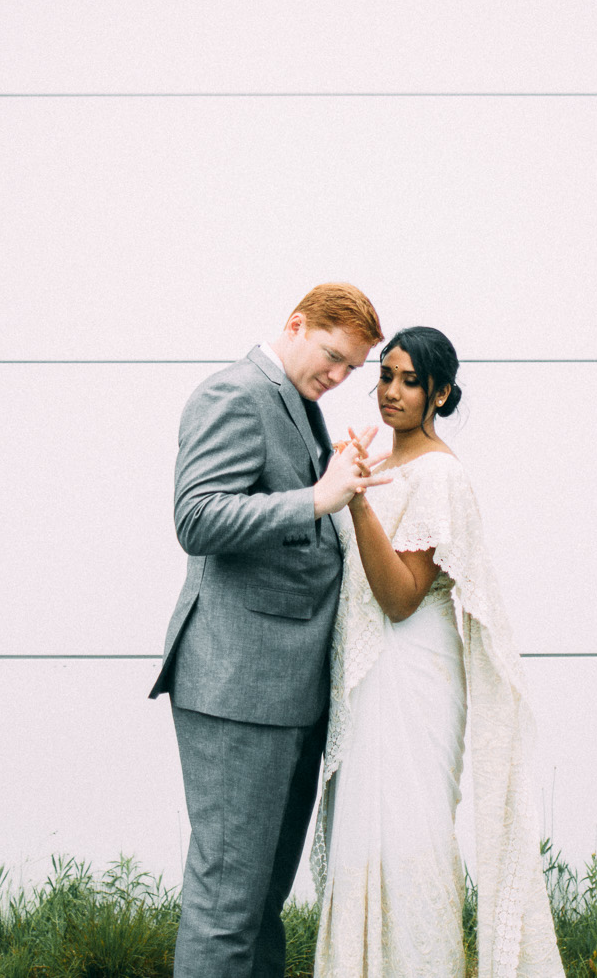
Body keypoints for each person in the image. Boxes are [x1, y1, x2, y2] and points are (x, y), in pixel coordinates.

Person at [311, 326, 566, 978]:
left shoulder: (441, 474)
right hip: (366, 680)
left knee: (411, 844)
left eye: (410, 380)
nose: (391, 391)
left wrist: (358, 499)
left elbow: (399, 596)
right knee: (361, 844)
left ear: (441, 392)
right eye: (386, 376)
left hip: (416, 674)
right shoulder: (377, 464)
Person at [151, 283, 389, 978]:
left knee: (260, 903)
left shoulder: (299, 404)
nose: (340, 377)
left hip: (284, 692)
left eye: (351, 367)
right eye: (334, 356)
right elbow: (196, 517)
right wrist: (317, 497)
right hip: (236, 689)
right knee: (229, 902)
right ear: (295, 324)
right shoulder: (235, 394)